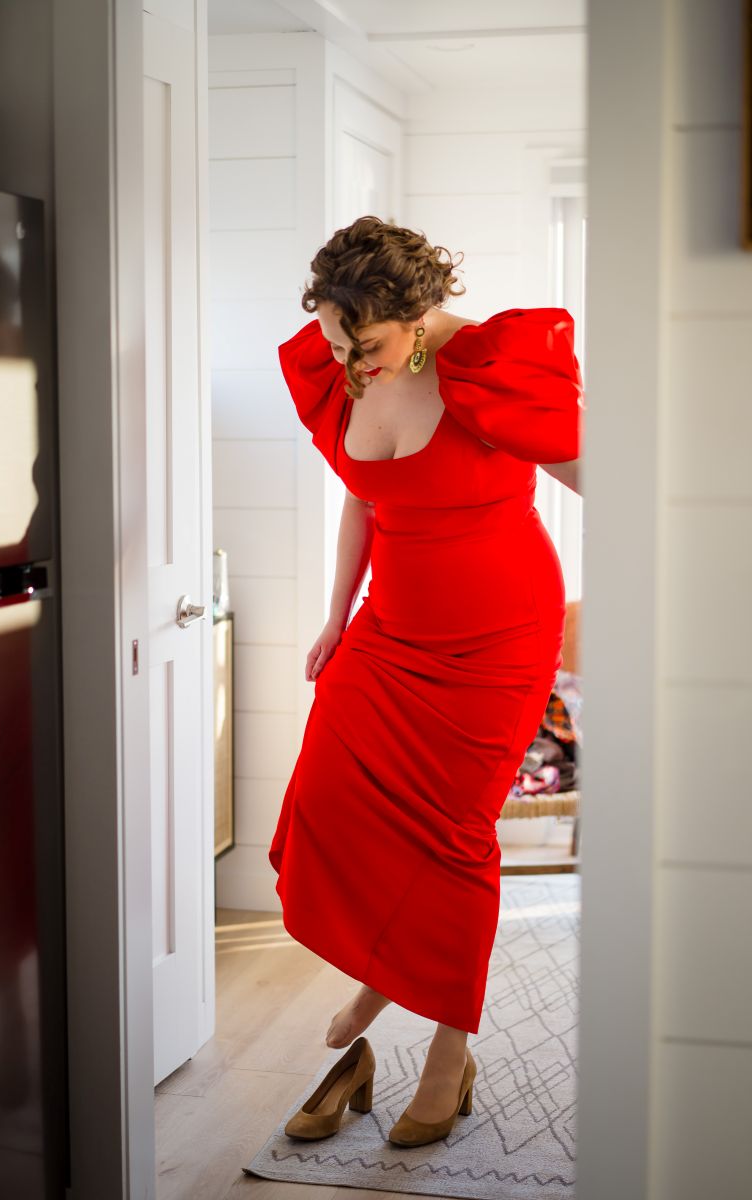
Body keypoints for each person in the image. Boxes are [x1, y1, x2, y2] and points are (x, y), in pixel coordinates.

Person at [268, 214, 583, 1145]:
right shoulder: (349, 368)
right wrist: (336, 614)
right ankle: (388, 967)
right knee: (326, 798)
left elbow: (617, 473)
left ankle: (449, 1054)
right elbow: (365, 499)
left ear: (415, 313)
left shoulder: (486, 365)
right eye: (333, 340)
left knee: (456, 836)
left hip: (498, 642)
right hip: (390, 631)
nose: (348, 362)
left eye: (363, 344)